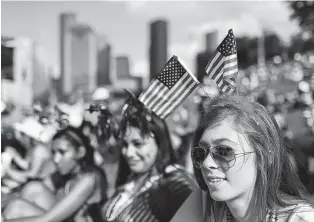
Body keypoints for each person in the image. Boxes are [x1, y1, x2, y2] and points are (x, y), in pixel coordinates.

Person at [171, 94, 314, 222]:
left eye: (223, 151)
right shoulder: (205, 204)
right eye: (200, 152)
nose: (207, 163)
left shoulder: (301, 219)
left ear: (264, 156)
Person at [101, 89, 196, 222]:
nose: (129, 153)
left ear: (159, 142)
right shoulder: (132, 178)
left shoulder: (175, 181)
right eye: (124, 145)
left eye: (138, 144)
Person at [3, 126, 108, 222]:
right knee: (33, 188)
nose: (56, 159)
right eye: (54, 152)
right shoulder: (68, 174)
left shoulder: (89, 178)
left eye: (62, 152)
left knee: (16, 208)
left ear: (80, 152)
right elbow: (31, 189)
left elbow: (47, 220)